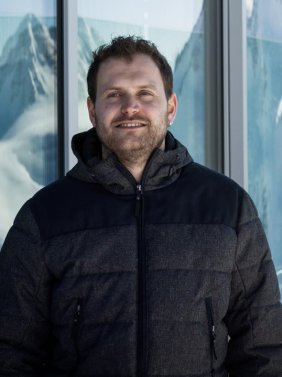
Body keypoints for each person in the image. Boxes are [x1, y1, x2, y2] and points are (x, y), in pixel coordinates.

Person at [0, 35, 282, 377]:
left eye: (145, 94)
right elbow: (10, 351)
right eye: (113, 95)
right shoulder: (44, 217)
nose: (129, 107)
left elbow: (263, 347)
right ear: (92, 110)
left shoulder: (228, 208)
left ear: (171, 108)